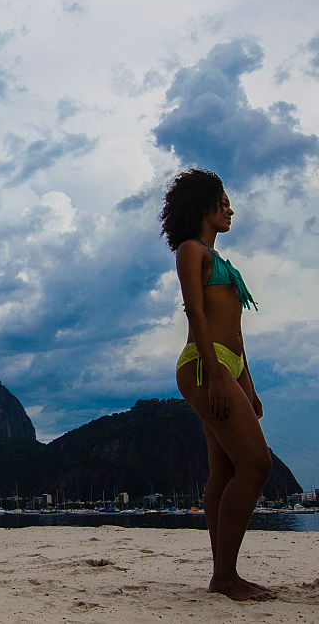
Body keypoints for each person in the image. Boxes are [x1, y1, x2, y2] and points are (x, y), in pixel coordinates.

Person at [159, 168, 273, 602]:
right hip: (204, 364)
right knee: (257, 465)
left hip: (228, 364)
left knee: (226, 471)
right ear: (202, 206)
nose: (229, 209)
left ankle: (223, 573)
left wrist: (249, 383)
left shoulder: (222, 261)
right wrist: (216, 375)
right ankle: (225, 575)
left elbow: (236, 332)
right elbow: (197, 314)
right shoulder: (192, 251)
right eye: (222, 202)